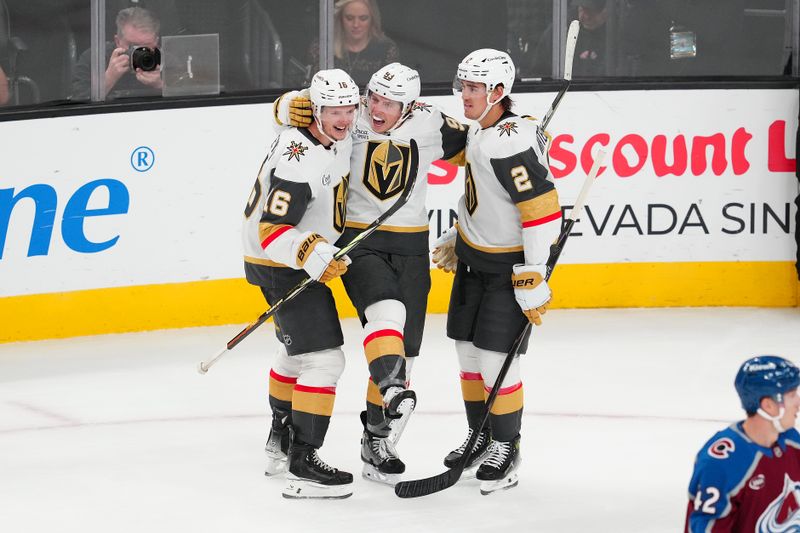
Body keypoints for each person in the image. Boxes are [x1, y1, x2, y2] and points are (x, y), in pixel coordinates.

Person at [273, 63, 468, 485]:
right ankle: (390, 393)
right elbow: (285, 112)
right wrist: (292, 105)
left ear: (410, 104)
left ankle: (376, 440)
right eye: (373, 98)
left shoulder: (431, 122)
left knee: (407, 349)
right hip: (361, 241)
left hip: (413, 247)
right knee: (386, 314)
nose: (376, 108)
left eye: (388, 102)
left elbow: (481, 148)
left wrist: (521, 132)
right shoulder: (348, 115)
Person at [433, 49, 561, 495]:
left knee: (495, 362)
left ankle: (507, 446)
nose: (464, 95)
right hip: (473, 261)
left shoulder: (511, 141)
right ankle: (481, 435)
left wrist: (533, 271)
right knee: (468, 356)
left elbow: (543, 212)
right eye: (463, 85)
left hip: (507, 270)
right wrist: (461, 234)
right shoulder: (480, 129)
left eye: (473, 88)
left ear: (499, 92)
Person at [242, 68, 359, 499]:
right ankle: (303, 463)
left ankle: (281, 438)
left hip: (275, 260)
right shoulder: (301, 159)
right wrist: (311, 252)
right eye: (334, 110)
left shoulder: (312, 132)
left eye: (350, 108)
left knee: (295, 352)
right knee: (325, 360)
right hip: (281, 261)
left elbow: (282, 111)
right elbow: (274, 230)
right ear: (315, 110)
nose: (345, 119)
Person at [685, 355, 800, 531]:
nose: (798, 403)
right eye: (792, 395)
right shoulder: (722, 463)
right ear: (768, 405)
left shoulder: (791, 440)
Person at [72, 7, 163, 100]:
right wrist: (108, 79)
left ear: (156, 42)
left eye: (147, 46)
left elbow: (178, 93)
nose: (140, 52)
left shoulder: (165, 60)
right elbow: (78, 103)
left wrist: (161, 85)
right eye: (132, 46)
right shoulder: (96, 59)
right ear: (117, 41)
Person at [308, 0, 399, 86]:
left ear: (372, 19)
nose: (356, 24)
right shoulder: (322, 46)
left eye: (363, 18)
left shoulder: (387, 49)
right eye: (349, 18)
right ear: (340, 19)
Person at [530, 0, 608, 78]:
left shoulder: (616, 37)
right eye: (583, 9)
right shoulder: (558, 32)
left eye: (592, 11)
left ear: (606, 11)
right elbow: (539, 73)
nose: (587, 16)